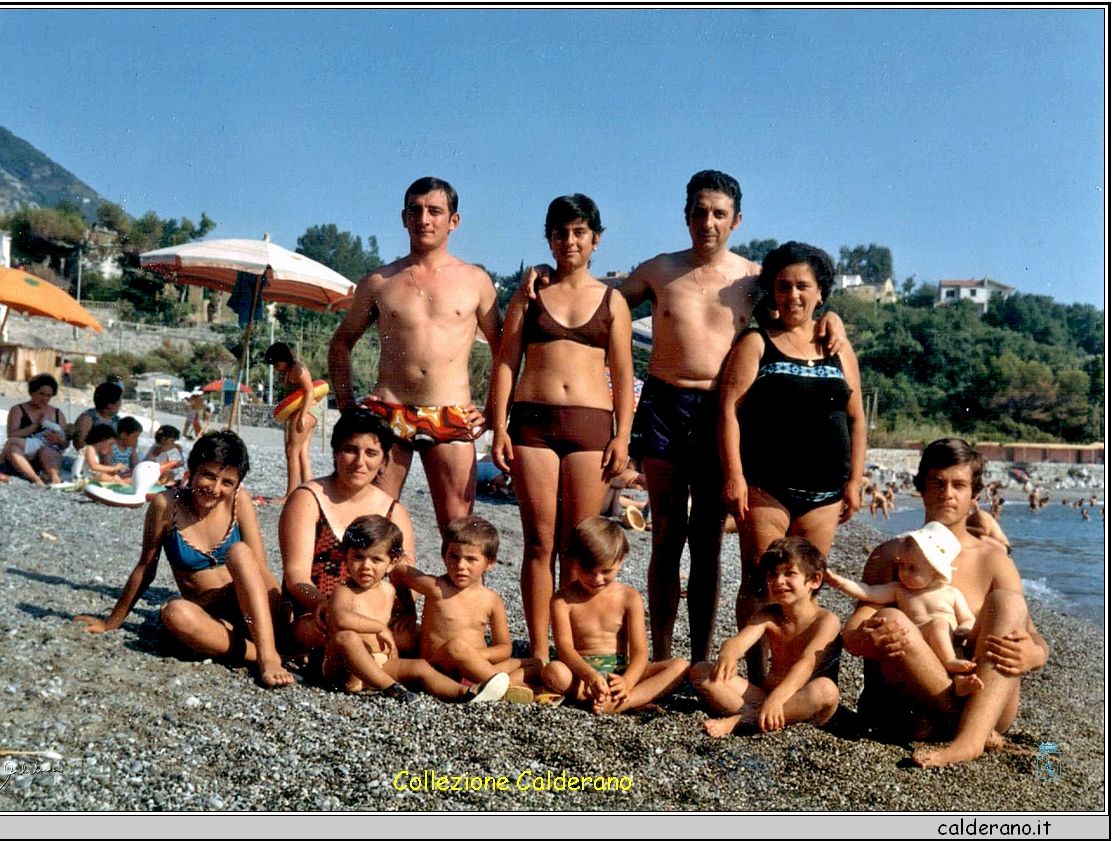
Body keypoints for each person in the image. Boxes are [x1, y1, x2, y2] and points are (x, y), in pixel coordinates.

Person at [524, 172, 845, 663]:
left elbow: (794, 313)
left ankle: (697, 656)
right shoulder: (659, 270)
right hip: (664, 407)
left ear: (737, 221)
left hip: (722, 410)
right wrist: (549, 274)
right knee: (667, 537)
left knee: (709, 542)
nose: (707, 223)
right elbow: (595, 299)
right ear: (685, 215)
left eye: (719, 214)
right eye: (699, 212)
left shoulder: (753, 279)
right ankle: (658, 655)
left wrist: (831, 318)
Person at [489, 195, 634, 665]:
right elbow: (507, 362)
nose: (569, 241)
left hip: (591, 427)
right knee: (538, 543)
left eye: (578, 232)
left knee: (581, 546)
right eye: (560, 232)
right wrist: (498, 427)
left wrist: (623, 435)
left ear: (596, 238)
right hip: (532, 424)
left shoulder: (613, 301)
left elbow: (625, 372)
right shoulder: (529, 295)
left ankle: (577, 651)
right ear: (548, 237)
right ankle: (538, 650)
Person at [842, 438, 1049, 767]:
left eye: (958, 485)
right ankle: (972, 737)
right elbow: (851, 632)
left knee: (1008, 603)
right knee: (894, 621)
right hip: (907, 705)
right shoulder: (892, 555)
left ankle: (969, 736)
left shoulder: (993, 560)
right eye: (937, 483)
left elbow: (1035, 637)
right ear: (922, 488)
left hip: (981, 697)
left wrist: (1034, 654)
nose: (947, 493)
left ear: (974, 494)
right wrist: (868, 638)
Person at [719, 241, 866, 681]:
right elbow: (729, 410)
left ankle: (796, 674)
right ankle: (757, 673)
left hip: (824, 491)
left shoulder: (838, 346)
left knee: (806, 587)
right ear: (773, 291)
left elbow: (857, 419)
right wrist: (735, 476)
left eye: (803, 286)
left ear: (821, 292)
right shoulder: (756, 343)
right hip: (766, 484)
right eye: (784, 286)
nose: (793, 296)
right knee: (760, 583)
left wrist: (855, 481)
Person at [328, 176, 502, 536]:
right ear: (404, 218)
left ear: (453, 221)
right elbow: (341, 343)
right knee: (373, 528)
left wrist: (492, 413)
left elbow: (505, 353)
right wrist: (348, 408)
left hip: (451, 413)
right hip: (389, 411)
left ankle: (454, 595)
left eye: (435, 211)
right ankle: (387, 595)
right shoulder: (380, 281)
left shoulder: (475, 281)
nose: (424, 219)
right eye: (416, 210)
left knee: (459, 530)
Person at [75, 431, 294, 688]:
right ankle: (259, 654)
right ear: (191, 471)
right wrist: (112, 622)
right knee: (174, 613)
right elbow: (146, 567)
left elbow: (259, 568)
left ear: (237, 485)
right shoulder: (166, 506)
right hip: (215, 619)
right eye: (208, 475)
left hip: (258, 610)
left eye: (227, 482)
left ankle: (269, 655)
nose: (214, 489)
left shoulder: (239, 500)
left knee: (239, 552)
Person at [322, 514, 510, 703]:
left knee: (420, 667)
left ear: (391, 562)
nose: (366, 566)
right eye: (358, 557)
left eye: (376, 560)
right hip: (347, 669)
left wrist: (407, 610)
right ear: (346, 557)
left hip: (381, 665)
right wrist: (382, 627)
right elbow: (341, 619)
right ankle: (390, 688)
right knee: (347, 637)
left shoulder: (388, 591)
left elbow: (400, 575)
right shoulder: (343, 591)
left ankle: (465, 694)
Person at [279, 409, 419, 660]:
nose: (359, 462)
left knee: (419, 635)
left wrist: (408, 609)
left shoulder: (394, 511)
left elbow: (404, 572)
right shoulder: (308, 498)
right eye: (350, 450)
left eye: (371, 453)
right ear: (335, 453)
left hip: (372, 615)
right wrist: (321, 604)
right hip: (318, 613)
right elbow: (295, 574)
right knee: (337, 633)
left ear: (384, 461)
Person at [691, 537, 841, 737]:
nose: (779, 582)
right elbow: (737, 642)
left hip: (806, 704)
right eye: (773, 575)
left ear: (814, 580)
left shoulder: (826, 620)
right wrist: (728, 654)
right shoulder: (769, 615)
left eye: (789, 574)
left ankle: (741, 721)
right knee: (701, 671)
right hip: (765, 698)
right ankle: (761, 718)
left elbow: (806, 663)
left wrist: (778, 699)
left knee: (826, 689)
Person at [541, 517, 690, 714]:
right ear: (573, 562)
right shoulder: (562, 600)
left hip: (622, 670)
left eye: (606, 571)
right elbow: (565, 649)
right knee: (554, 672)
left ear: (620, 561)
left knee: (680, 666)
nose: (597, 579)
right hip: (582, 673)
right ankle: (610, 700)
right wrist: (590, 675)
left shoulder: (629, 597)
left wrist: (627, 681)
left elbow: (639, 653)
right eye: (587, 570)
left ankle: (623, 700)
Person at [825, 521, 981, 695]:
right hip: (919, 644)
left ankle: (960, 683)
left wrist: (963, 629)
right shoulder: (899, 590)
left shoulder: (951, 593)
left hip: (950, 643)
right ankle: (951, 663)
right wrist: (841, 583)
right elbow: (868, 592)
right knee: (940, 624)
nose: (903, 573)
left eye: (912, 568)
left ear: (936, 571)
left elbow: (967, 618)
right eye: (901, 565)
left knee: (960, 656)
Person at [389, 515, 535, 694]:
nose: (460, 565)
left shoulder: (491, 599)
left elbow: (505, 648)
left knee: (534, 664)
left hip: (475, 665)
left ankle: (509, 686)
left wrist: (474, 656)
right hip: (439, 667)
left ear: (489, 563)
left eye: (471, 559)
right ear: (444, 556)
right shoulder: (435, 587)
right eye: (454, 556)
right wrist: (407, 610)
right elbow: (398, 571)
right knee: (455, 647)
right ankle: (509, 688)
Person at [263, 342, 319, 501]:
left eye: (276, 363)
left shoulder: (298, 369)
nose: (275, 367)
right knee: (302, 454)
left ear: (284, 358)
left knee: (291, 451)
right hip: (307, 412)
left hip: (306, 412)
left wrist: (301, 416)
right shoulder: (289, 371)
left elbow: (310, 391)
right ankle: (309, 494)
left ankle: (290, 495)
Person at [0, 374, 69, 486]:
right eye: (41, 394)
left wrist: (58, 440)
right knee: (13, 449)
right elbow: (12, 435)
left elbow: (65, 443)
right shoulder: (18, 410)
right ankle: (35, 479)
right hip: (24, 453)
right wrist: (35, 426)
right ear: (32, 392)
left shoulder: (57, 413)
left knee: (47, 450)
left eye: (48, 395)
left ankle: (54, 478)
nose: (44, 399)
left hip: (48, 454)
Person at [71, 382, 123, 452]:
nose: (120, 404)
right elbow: (79, 445)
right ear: (109, 404)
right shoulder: (87, 419)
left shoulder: (117, 420)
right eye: (119, 401)